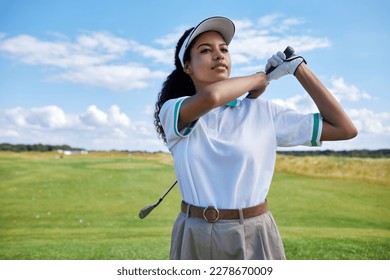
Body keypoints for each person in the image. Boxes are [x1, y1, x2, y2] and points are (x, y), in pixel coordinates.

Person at [153, 16, 357, 260]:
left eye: (224, 49)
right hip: (194, 232)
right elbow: (210, 98)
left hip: (254, 231)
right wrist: (262, 78)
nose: (219, 56)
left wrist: (298, 68)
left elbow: (344, 128)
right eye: (205, 51)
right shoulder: (173, 110)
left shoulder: (265, 112)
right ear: (187, 66)